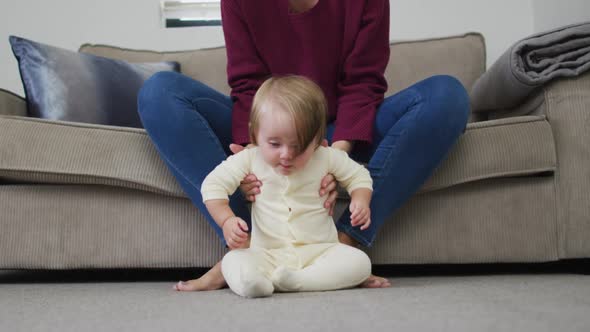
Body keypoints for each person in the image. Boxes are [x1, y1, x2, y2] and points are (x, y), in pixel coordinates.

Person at [137, 0, 470, 291]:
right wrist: (252, 150)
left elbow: (363, 82)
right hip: (268, 129)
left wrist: (333, 158)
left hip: (341, 131)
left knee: (446, 97)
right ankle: (245, 249)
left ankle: (342, 246)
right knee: (159, 93)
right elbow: (247, 83)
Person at [203, 75, 373, 297]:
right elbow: (212, 185)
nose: (286, 155)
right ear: (255, 134)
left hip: (320, 252)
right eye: (274, 144)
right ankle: (254, 284)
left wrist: (361, 199)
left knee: (359, 262)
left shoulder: (326, 156)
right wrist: (226, 220)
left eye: (299, 147)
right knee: (234, 260)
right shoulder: (249, 158)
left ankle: (298, 281)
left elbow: (359, 176)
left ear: (317, 141)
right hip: (266, 254)